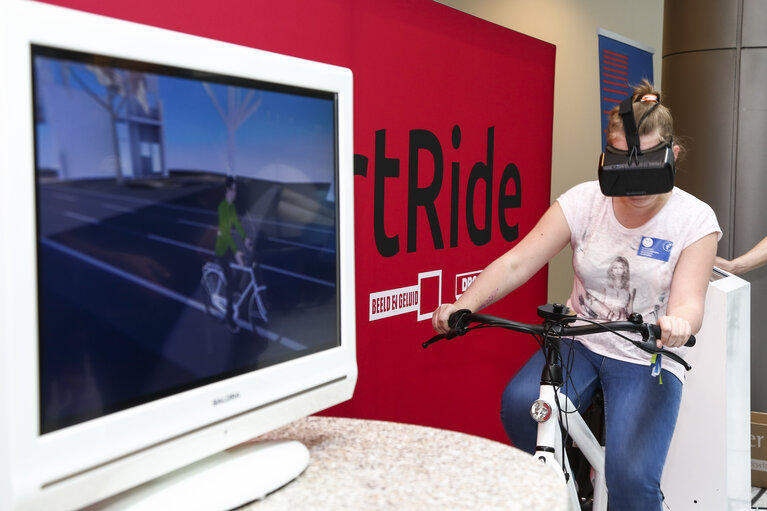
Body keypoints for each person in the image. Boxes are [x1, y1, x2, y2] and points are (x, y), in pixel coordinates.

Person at [431, 80, 720, 510]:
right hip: (578, 341)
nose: (635, 179)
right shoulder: (585, 202)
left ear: (671, 156)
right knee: (520, 406)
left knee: (632, 480)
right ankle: (569, 488)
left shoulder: (694, 218)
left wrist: (679, 323)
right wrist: (463, 305)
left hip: (645, 354)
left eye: (646, 161)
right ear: (606, 156)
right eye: (621, 160)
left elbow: (689, 302)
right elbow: (517, 262)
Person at [215, 176, 251, 331]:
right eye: (233, 190)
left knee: (243, 265)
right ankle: (229, 316)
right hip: (222, 249)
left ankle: (236, 291)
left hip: (229, 247)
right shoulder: (222, 208)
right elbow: (226, 234)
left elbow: (237, 224)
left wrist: (246, 239)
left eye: (236, 190)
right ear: (228, 190)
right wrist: (236, 252)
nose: (235, 193)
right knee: (230, 284)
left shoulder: (231, 207)